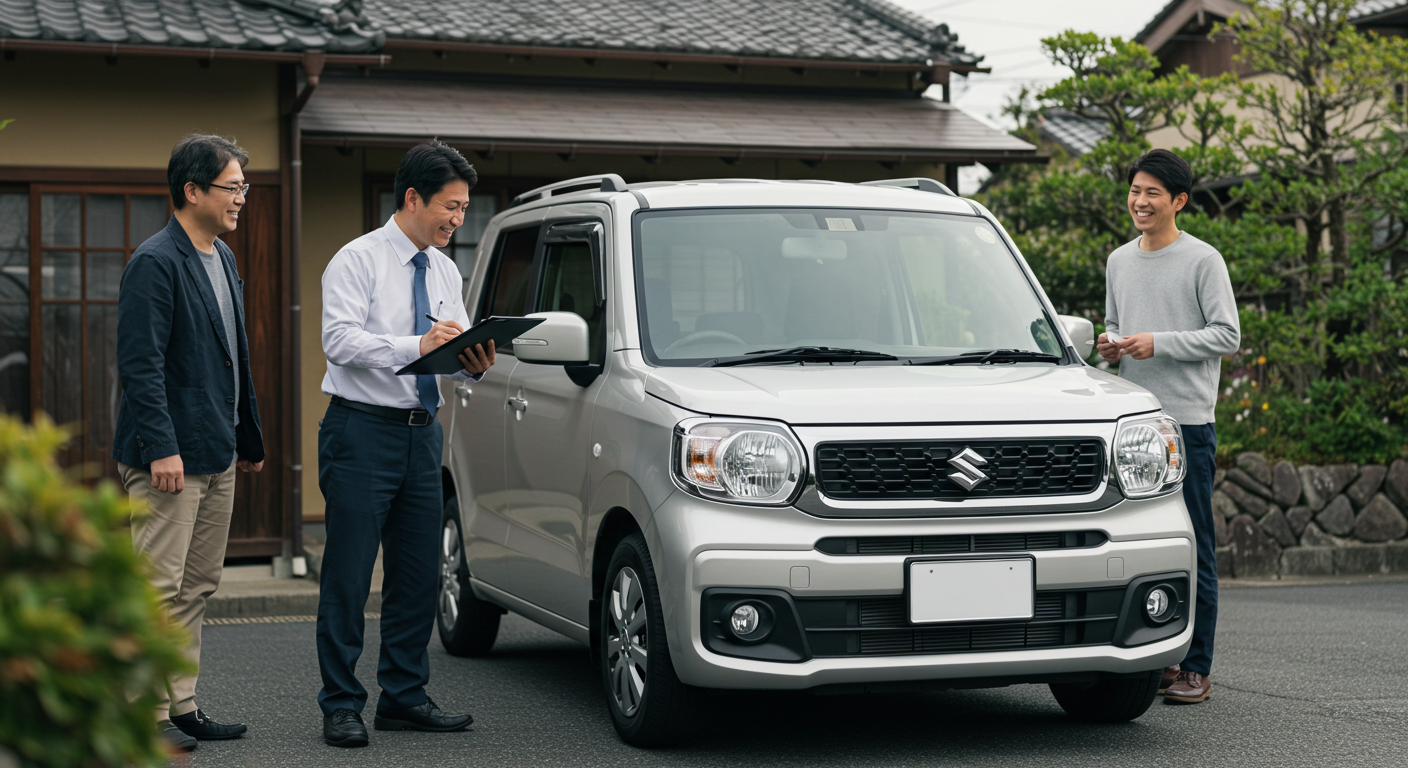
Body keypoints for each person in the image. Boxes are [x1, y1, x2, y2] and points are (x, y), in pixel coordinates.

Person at [315, 140, 496, 748]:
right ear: (413, 198)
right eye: (451, 205)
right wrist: (413, 347)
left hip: (423, 436)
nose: (458, 219)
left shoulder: (445, 268)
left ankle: (404, 697)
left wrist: (469, 359)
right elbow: (338, 342)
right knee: (348, 574)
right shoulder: (356, 259)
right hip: (360, 430)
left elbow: (447, 348)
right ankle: (341, 704)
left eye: (466, 207)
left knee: (417, 576)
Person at [112, 134, 266, 751]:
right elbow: (140, 364)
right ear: (191, 191)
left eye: (243, 188)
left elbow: (235, 357)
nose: (240, 199)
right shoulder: (155, 261)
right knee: (155, 588)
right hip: (169, 458)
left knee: (197, 586)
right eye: (232, 188)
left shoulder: (221, 256)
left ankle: (181, 703)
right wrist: (160, 447)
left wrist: (247, 436)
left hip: (217, 449)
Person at [1097, 148, 1239, 705]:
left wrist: (1161, 341)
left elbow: (1226, 335)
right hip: (1131, 429)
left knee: (1194, 545)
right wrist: (1109, 346)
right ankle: (1156, 656)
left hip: (1187, 425)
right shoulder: (1118, 260)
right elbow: (1113, 324)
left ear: (1178, 201)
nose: (1140, 201)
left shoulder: (1204, 260)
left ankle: (1196, 666)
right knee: (1137, 545)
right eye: (1135, 190)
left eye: (1153, 192)